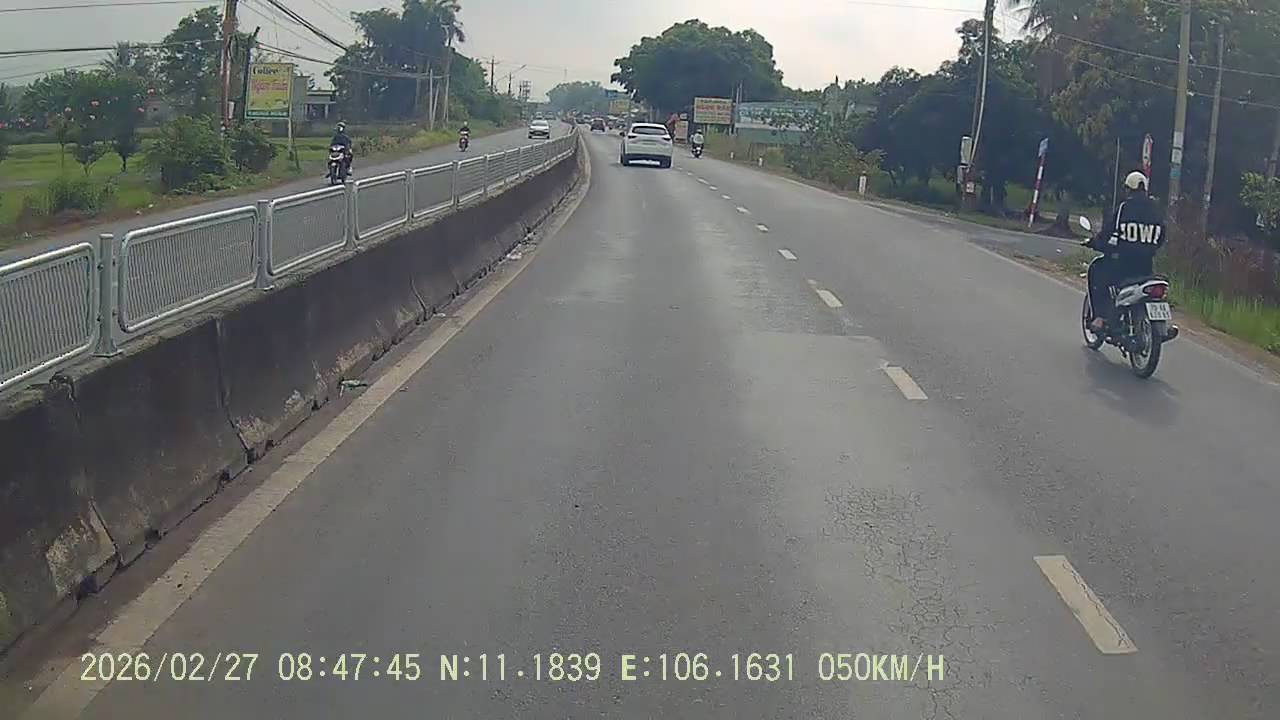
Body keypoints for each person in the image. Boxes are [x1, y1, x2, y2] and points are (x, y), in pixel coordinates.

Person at [1085, 171, 1167, 331]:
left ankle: (1100, 317)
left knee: (1098, 274)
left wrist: (1096, 243)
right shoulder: (1156, 210)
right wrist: (1149, 248)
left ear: (1129, 189)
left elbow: (1108, 232)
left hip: (1123, 266)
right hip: (1146, 267)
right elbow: (1161, 236)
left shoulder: (1124, 208)